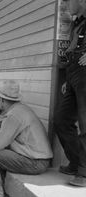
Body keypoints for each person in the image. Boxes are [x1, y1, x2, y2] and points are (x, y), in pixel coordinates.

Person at [0, 80, 53, 197]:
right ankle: (2, 193)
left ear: (1, 100)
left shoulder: (13, 115)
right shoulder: (20, 109)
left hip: (35, 162)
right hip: (37, 159)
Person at [54, 0, 86, 187]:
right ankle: (76, 163)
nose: (65, 6)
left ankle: (84, 172)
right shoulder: (78, 21)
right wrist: (68, 78)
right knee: (61, 120)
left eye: (68, 1)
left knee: (85, 124)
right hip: (74, 72)